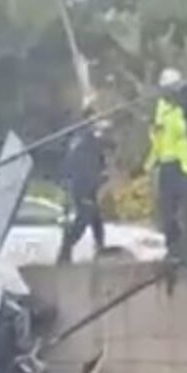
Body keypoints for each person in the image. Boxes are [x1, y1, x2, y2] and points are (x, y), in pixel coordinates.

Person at [143, 67, 187, 260]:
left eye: (170, 90)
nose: (166, 94)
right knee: (167, 210)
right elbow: (158, 137)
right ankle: (172, 248)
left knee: (186, 209)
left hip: (185, 163)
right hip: (166, 163)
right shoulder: (162, 105)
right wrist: (149, 163)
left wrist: (178, 111)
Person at [57, 106, 107, 265]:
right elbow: (79, 162)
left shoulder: (87, 138)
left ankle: (100, 247)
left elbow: (99, 161)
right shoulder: (84, 138)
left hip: (89, 183)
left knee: (96, 218)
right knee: (85, 215)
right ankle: (66, 248)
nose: (97, 122)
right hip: (82, 184)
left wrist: (101, 173)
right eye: (94, 118)